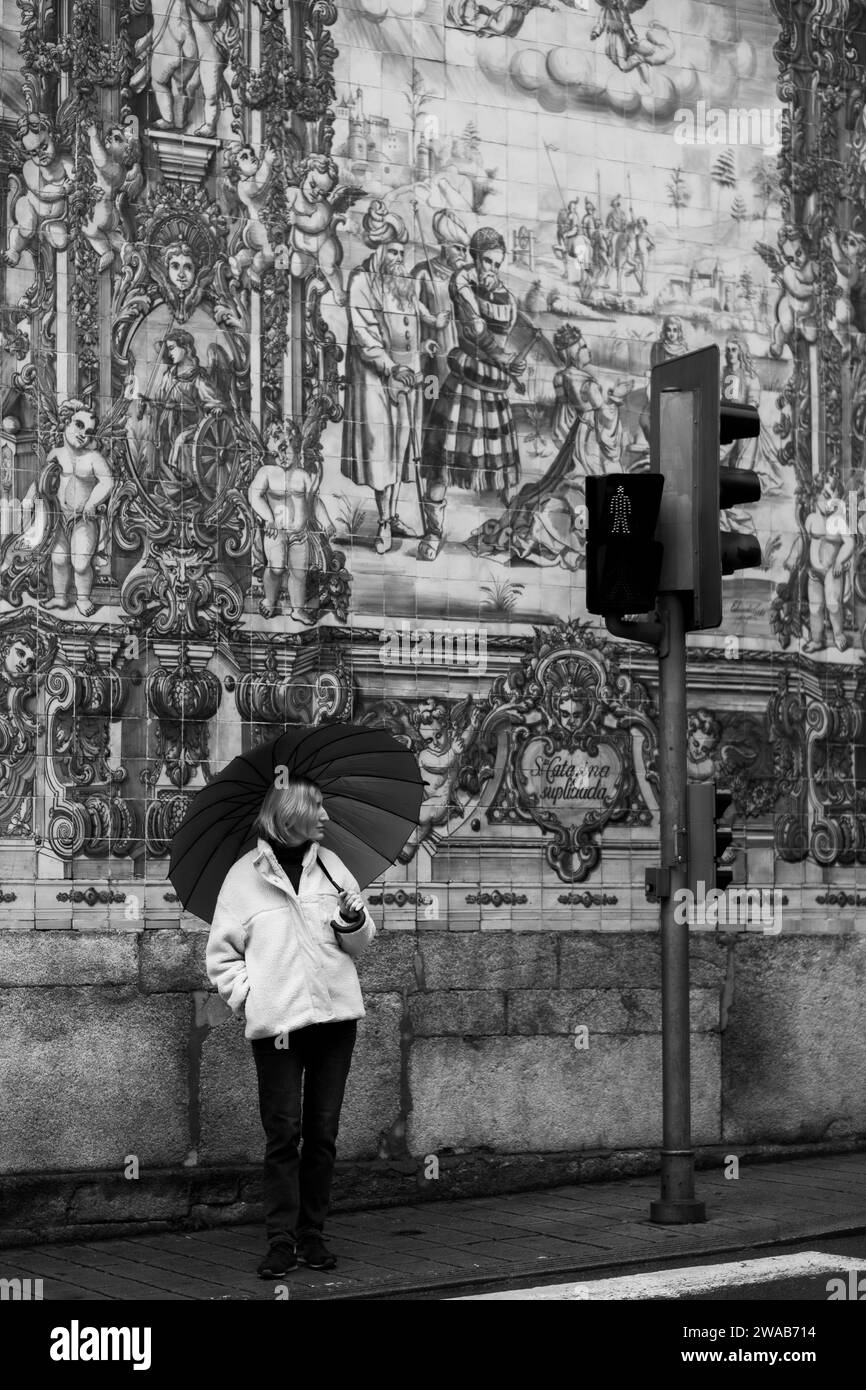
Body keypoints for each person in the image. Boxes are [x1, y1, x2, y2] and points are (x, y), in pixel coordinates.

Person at [206, 777, 376, 1279]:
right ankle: (280, 1240)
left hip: (334, 1020)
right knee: (284, 1133)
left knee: (323, 1133)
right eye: (316, 808)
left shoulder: (331, 866)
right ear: (291, 813)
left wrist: (352, 920)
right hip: (278, 1025)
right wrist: (252, 999)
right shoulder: (243, 878)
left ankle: (312, 1236)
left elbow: (361, 943)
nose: (324, 817)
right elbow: (221, 958)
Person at [341, 201, 447, 554]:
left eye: (403, 251)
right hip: (376, 379)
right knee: (380, 451)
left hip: (409, 375)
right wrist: (390, 366)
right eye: (395, 251)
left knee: (404, 448)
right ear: (381, 249)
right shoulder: (360, 281)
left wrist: (425, 342)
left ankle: (394, 513)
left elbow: (411, 322)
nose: (400, 258)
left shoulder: (402, 283)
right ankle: (384, 523)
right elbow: (365, 335)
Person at [418, 226, 524, 560]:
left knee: (503, 469)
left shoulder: (507, 297)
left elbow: (502, 330)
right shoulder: (461, 281)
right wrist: (505, 358)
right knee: (442, 463)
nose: (491, 269)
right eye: (487, 261)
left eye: (497, 264)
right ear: (475, 257)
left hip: (492, 388)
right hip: (464, 381)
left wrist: (508, 363)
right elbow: (474, 327)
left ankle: (516, 531)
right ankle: (433, 534)